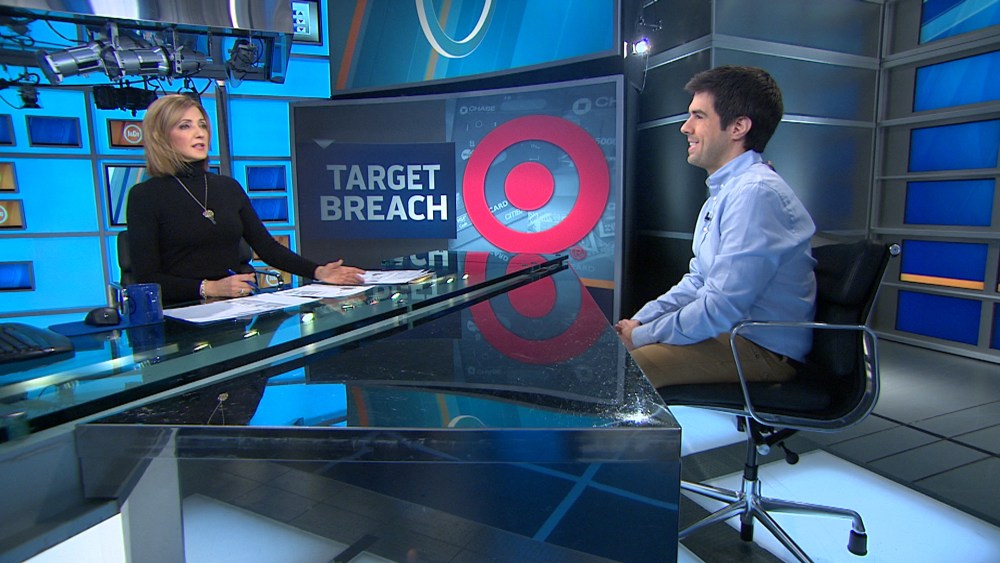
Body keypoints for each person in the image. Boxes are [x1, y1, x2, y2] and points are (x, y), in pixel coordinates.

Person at [615, 66, 816, 387]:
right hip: (730, 334)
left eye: (699, 116)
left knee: (622, 373)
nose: (685, 127)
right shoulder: (726, 192)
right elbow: (698, 281)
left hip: (761, 349)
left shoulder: (756, 193)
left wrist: (641, 336)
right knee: (619, 358)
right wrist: (640, 321)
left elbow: (720, 307)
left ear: (738, 127)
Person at [126, 94, 365, 306]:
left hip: (233, 310)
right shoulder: (145, 196)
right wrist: (209, 288)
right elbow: (147, 278)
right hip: (180, 317)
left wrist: (318, 271)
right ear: (161, 137)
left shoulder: (227, 187)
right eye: (185, 126)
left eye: (202, 125)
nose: (199, 133)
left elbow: (267, 248)